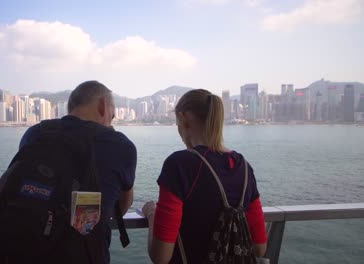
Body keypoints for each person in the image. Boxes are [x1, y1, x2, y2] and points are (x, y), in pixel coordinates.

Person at [142, 89, 267, 263]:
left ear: (184, 119)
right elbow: (260, 247)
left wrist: (151, 214)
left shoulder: (179, 164)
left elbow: (161, 257)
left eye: (177, 124)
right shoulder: (244, 167)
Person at [19, 80, 137, 263]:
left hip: (25, 252)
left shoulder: (35, 134)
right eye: (112, 117)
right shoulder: (120, 146)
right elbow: (123, 205)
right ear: (103, 106)